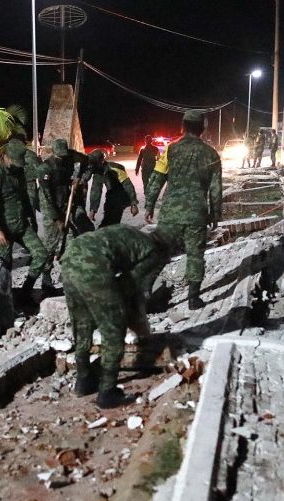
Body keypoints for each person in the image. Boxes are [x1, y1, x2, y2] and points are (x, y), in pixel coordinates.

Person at [62, 224, 171, 408]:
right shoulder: (153, 253)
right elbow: (129, 286)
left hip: (70, 259)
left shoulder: (132, 234)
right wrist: (130, 316)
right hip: (93, 265)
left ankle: (83, 380)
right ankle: (107, 392)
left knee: (82, 322)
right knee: (114, 328)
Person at [144, 110, 223, 310]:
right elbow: (216, 188)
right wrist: (215, 214)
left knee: (160, 252)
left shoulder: (171, 149)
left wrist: (150, 205)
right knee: (195, 255)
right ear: (203, 128)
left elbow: (157, 178)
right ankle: (193, 299)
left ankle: (144, 293)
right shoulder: (211, 154)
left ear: (183, 126)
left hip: (171, 212)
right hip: (197, 213)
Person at [0, 139, 48, 303]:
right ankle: (2, 300)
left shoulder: (19, 172)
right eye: (14, 161)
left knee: (41, 255)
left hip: (22, 226)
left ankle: (26, 291)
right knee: (3, 268)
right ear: (5, 157)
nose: (16, 165)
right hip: (4, 230)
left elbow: (25, 198)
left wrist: (31, 219)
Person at [37, 138, 94, 287]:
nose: (62, 159)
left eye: (64, 155)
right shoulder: (44, 169)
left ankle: (67, 272)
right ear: (53, 153)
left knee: (71, 239)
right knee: (51, 243)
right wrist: (57, 219)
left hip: (67, 203)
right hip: (51, 208)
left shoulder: (72, 156)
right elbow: (46, 199)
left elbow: (89, 164)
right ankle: (46, 275)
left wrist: (80, 179)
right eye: (59, 156)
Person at [88, 149, 139, 228]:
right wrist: (93, 209)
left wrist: (134, 204)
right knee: (108, 220)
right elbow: (96, 190)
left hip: (121, 195)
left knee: (112, 222)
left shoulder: (115, 168)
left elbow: (128, 185)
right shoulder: (97, 172)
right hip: (110, 196)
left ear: (101, 161)